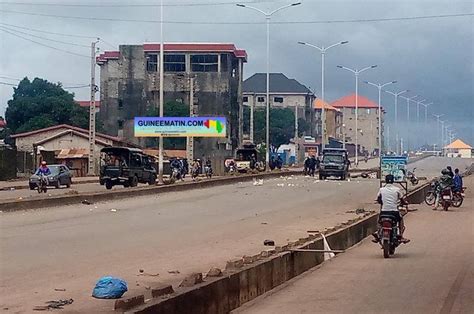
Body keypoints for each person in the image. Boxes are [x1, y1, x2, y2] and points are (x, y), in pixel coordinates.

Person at [373, 174, 410, 243]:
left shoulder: (381, 189)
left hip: (384, 211)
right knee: (400, 219)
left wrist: (381, 202)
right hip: (394, 212)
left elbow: (378, 199)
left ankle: (378, 233)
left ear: (386, 181)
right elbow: (402, 200)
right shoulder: (397, 189)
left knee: (379, 220)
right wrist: (405, 203)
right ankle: (401, 236)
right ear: (393, 181)